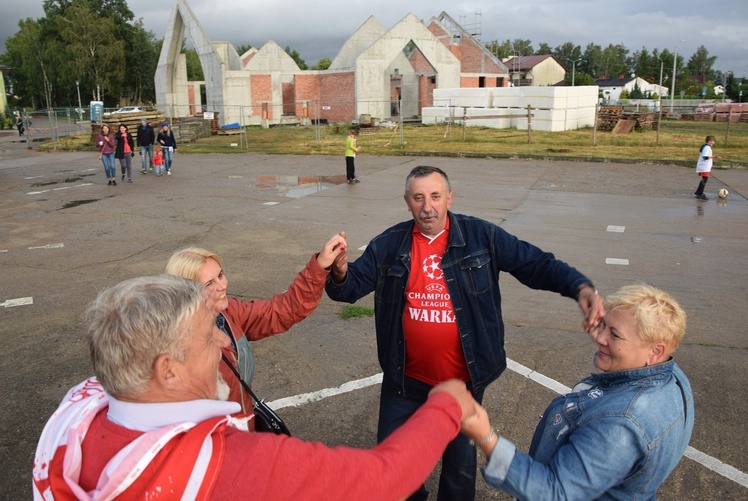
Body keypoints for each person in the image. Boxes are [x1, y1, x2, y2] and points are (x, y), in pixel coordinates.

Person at [32, 274, 486, 500]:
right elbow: (384, 480)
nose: (221, 342)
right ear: (167, 371)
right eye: (209, 336)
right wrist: (446, 404)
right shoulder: (231, 464)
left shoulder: (74, 419)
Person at [325, 165, 603, 500]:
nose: (427, 206)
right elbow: (349, 288)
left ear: (449, 198)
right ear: (407, 202)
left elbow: (535, 264)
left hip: (462, 384)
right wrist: (340, 271)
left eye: (435, 196)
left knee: (458, 472)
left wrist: (579, 287)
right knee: (393, 468)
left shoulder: (482, 237)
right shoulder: (388, 244)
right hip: (404, 383)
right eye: (418, 198)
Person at [462, 283, 694, 500]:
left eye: (615, 334)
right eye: (604, 325)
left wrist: (485, 437)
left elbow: (554, 492)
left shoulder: (620, 424)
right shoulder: (672, 378)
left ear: (655, 352)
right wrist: (612, 343)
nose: (600, 338)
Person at [165, 233, 346, 415]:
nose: (222, 285)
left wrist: (320, 265)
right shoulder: (174, 347)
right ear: (187, 292)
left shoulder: (228, 314)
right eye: (209, 283)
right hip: (217, 437)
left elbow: (282, 311)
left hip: (243, 428)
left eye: (221, 275)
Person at [694, 135, 720, 200]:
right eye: (712, 141)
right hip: (704, 166)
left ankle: (698, 192)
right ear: (709, 141)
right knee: (704, 179)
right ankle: (700, 193)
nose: (713, 143)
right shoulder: (707, 148)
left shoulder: (706, 147)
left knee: (704, 179)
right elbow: (705, 157)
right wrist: (713, 157)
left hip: (704, 166)